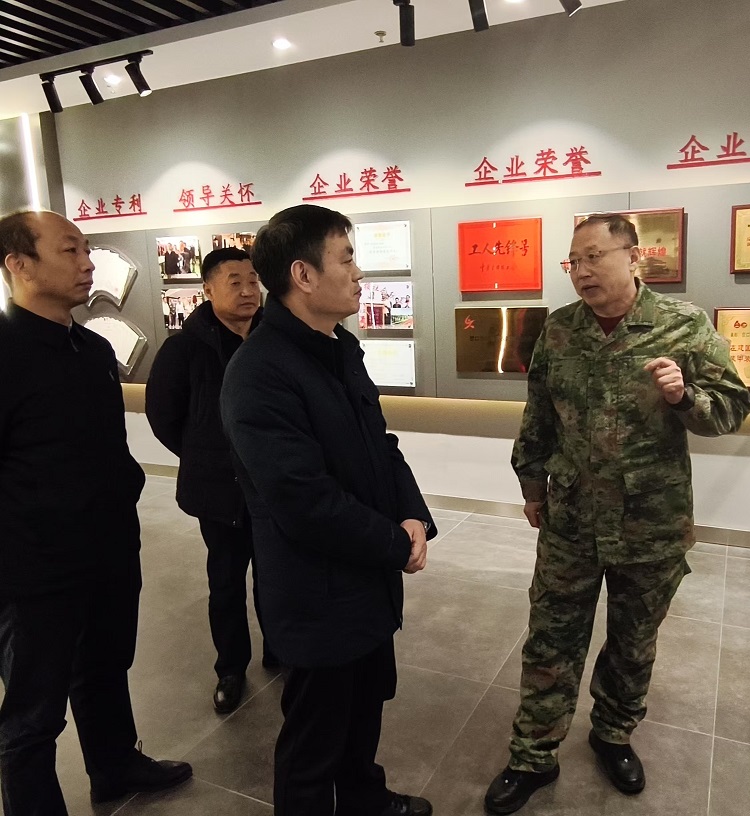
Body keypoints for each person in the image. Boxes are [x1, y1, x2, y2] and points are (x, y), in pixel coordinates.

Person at [484, 213, 750, 814]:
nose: (582, 271)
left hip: (650, 520)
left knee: (633, 641)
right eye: (573, 261)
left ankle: (613, 734)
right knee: (551, 638)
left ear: (634, 257)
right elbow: (539, 415)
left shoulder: (683, 325)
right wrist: (532, 483)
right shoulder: (559, 329)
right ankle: (532, 755)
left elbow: (731, 409)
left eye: (594, 257)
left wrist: (684, 396)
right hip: (571, 519)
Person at [220, 204, 436, 816]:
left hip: (364, 576)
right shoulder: (259, 372)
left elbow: (380, 445)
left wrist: (412, 516)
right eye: (347, 258)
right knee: (314, 738)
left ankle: (364, 798)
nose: (359, 273)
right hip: (316, 591)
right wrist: (394, 544)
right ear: (303, 275)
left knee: (364, 707)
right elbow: (303, 500)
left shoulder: (339, 348)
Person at [0, 210, 193, 814]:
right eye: (70, 251)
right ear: (18, 264)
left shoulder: (91, 348)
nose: (88, 264)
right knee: (33, 710)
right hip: (34, 567)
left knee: (106, 666)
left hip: (108, 545)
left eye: (88, 250)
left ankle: (114, 766)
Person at [145, 247, 276, 715]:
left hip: (274, 486)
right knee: (225, 581)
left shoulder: (275, 338)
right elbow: (163, 416)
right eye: (234, 282)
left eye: (253, 280)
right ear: (208, 289)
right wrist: (204, 456)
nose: (247, 290)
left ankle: (279, 649)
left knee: (275, 574)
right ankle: (230, 667)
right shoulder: (185, 348)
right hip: (219, 491)